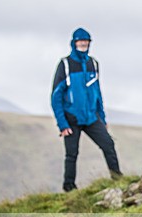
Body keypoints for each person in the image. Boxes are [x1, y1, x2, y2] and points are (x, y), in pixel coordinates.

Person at [51, 27, 122, 192]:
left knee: (108, 144)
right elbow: (56, 97)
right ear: (74, 42)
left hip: (91, 117)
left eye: (86, 41)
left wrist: (102, 119)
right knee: (72, 154)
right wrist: (62, 124)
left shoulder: (93, 64)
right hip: (71, 119)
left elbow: (98, 93)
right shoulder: (65, 65)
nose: (83, 43)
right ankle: (69, 187)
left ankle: (117, 178)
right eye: (80, 41)